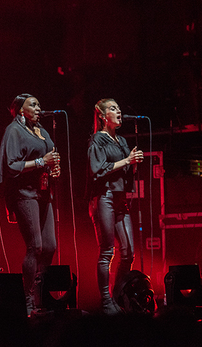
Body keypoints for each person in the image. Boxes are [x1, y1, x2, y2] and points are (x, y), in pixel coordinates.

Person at [0, 93, 61, 314]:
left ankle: (40, 294)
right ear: (20, 110)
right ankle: (27, 298)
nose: (38, 107)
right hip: (24, 193)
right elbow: (12, 165)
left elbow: (50, 157)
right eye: (33, 104)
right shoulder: (14, 130)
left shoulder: (41, 131)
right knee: (36, 246)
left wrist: (53, 169)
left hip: (43, 192)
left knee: (50, 245)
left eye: (39, 104)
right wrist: (43, 161)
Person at [87, 98, 144, 315]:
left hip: (120, 198)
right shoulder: (96, 140)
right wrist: (127, 161)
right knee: (107, 251)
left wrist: (133, 164)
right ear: (102, 116)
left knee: (128, 252)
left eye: (119, 107)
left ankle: (118, 294)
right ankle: (105, 301)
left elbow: (125, 170)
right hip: (104, 197)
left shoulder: (120, 141)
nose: (119, 111)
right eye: (113, 108)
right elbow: (97, 169)